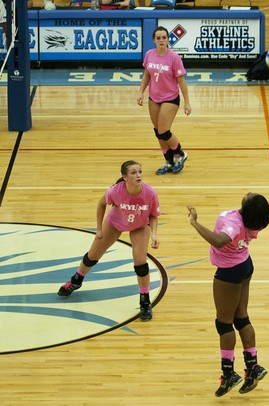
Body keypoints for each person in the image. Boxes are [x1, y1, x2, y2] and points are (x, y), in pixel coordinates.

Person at [187, 193, 269, 396]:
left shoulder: (235, 224)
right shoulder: (257, 219)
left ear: (246, 209)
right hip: (244, 264)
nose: (250, 193)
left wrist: (195, 223)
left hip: (229, 272)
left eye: (251, 196)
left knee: (224, 324)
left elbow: (219, 241)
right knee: (241, 318)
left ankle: (229, 373)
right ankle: (253, 367)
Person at [57, 161, 161, 322]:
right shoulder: (115, 191)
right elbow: (101, 204)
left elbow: (153, 215)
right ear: (125, 177)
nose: (138, 175)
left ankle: (145, 301)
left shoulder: (150, 193)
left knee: (140, 263)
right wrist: (99, 229)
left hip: (140, 226)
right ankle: (76, 280)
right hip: (115, 222)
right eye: (133, 173)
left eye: (140, 172)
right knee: (93, 256)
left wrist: (154, 234)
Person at [137, 26, 191, 175]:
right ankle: (169, 161)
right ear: (154, 40)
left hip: (170, 98)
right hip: (154, 97)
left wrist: (187, 102)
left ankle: (180, 154)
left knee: (163, 131)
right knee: (158, 132)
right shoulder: (149, 54)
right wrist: (140, 92)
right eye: (158, 38)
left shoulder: (174, 58)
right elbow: (146, 75)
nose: (161, 40)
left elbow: (181, 81)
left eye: (164, 38)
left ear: (168, 39)